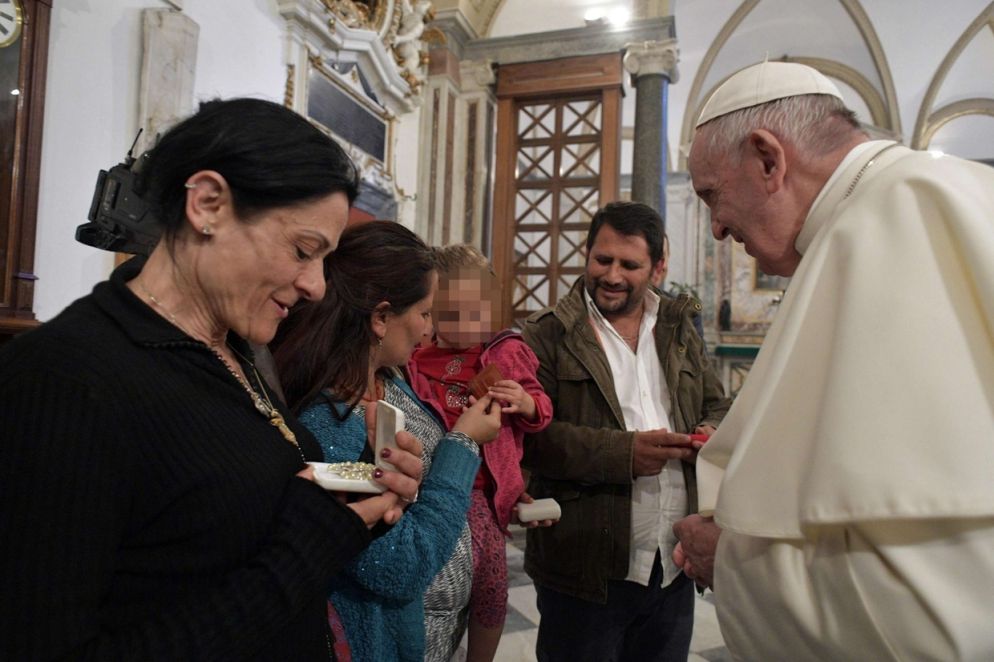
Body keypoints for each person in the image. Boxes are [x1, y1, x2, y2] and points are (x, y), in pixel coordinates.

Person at [0, 98, 423, 660]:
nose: (317, 286)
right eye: (303, 250)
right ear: (208, 204)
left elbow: (239, 489)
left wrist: (363, 478)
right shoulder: (65, 379)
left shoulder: (237, 346)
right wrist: (314, 544)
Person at [673, 60, 994, 660]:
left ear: (769, 159)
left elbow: (931, 615)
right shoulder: (938, 194)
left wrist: (733, 563)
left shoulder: (900, 217)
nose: (715, 227)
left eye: (711, 196)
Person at [272, 222, 502, 662]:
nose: (430, 330)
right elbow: (397, 567)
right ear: (380, 318)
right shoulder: (327, 425)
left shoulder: (389, 378)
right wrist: (464, 442)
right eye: (425, 313)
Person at [520, 201, 732, 662]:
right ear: (588, 253)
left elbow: (717, 401)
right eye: (603, 259)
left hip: (671, 563)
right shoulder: (547, 335)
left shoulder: (677, 328)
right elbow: (532, 438)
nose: (612, 275)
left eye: (630, 265)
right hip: (583, 569)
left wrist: (710, 429)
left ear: (658, 267)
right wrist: (624, 454)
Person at [407, 244, 555, 662]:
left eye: (477, 313)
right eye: (450, 315)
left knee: (491, 581)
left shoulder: (507, 353)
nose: (466, 325)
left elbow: (542, 411)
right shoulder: (418, 357)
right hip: (430, 483)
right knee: (433, 581)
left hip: (482, 491)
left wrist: (523, 403)